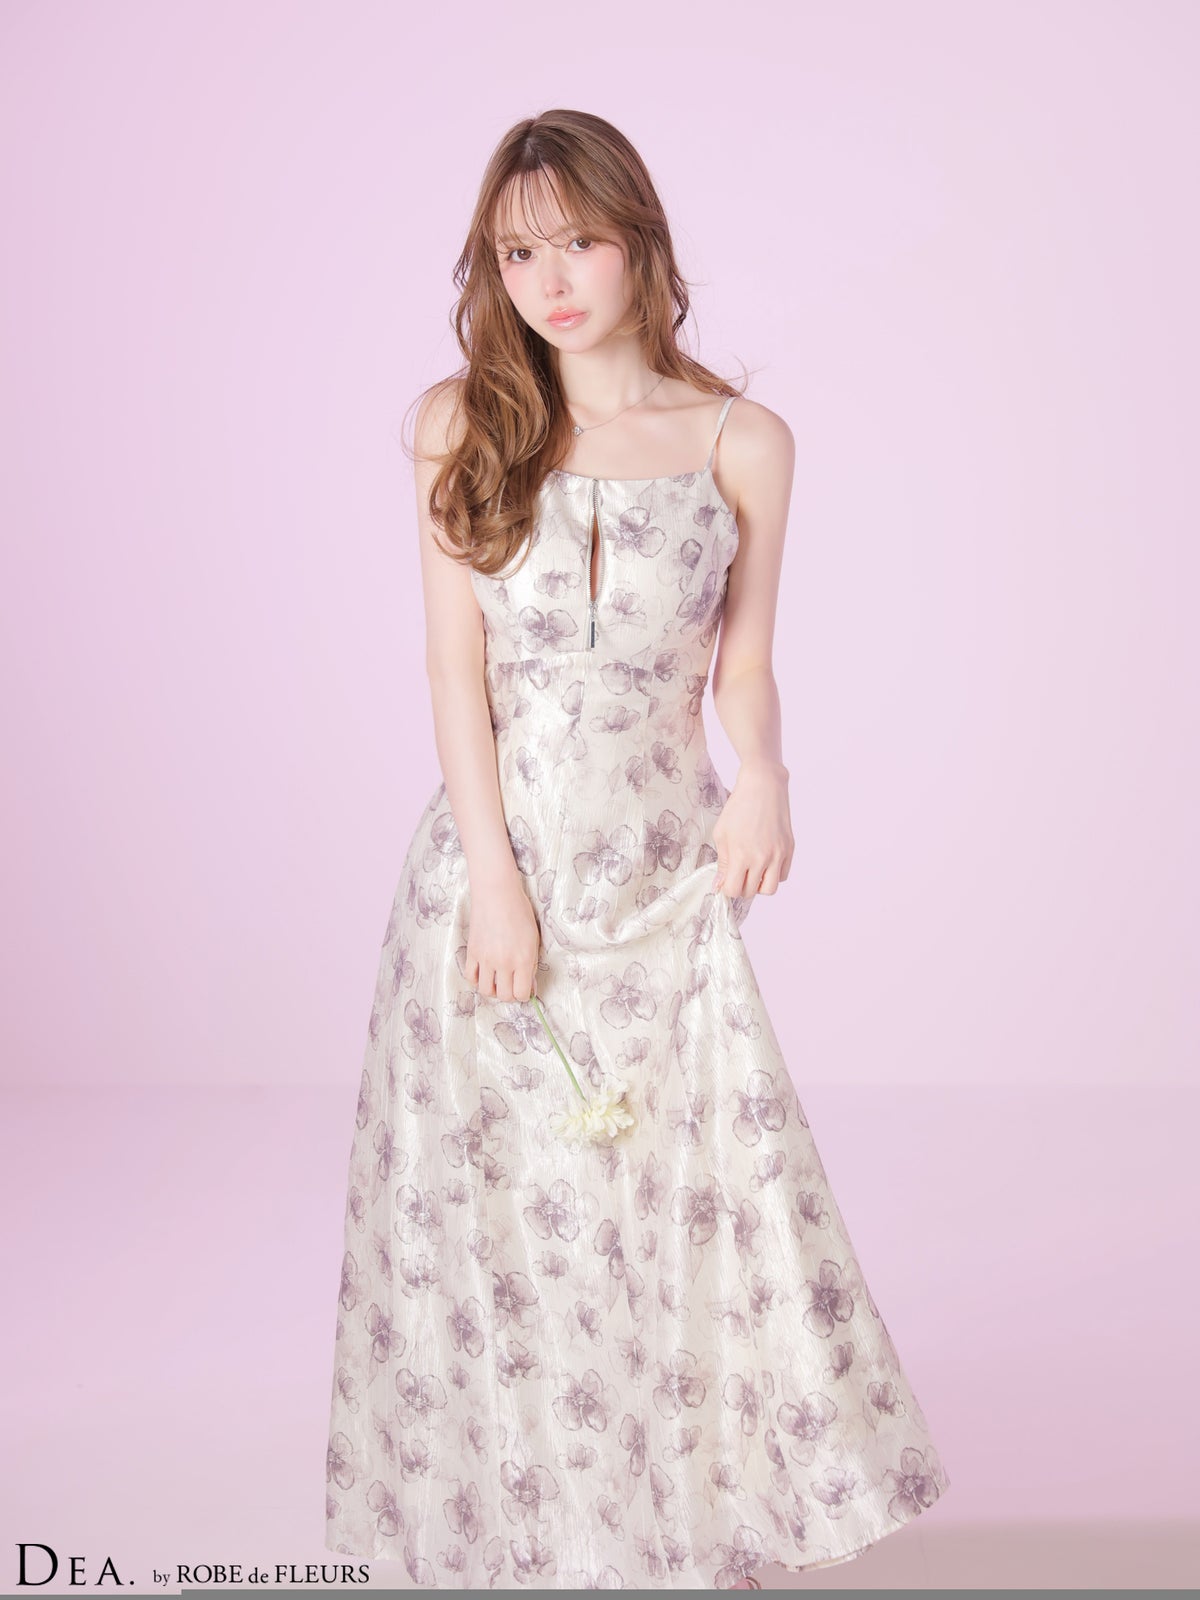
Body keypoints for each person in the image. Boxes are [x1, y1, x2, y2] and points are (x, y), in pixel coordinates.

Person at [324, 108, 951, 1591]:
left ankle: (673, 1528)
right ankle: (535, 1538)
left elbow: (745, 667)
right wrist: (494, 882)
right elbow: (453, 675)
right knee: (502, 1210)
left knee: (675, 1196)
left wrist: (766, 775)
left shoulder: (742, 440)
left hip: (662, 885)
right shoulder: (458, 424)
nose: (549, 281)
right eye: (515, 253)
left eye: (579, 243)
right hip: (496, 879)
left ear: (641, 246)